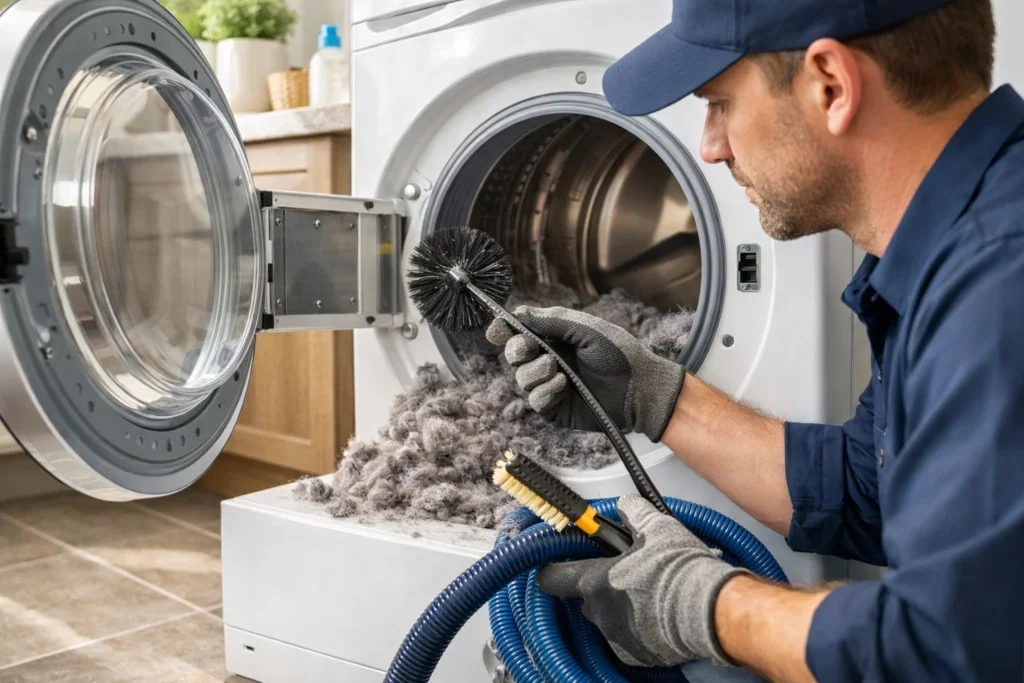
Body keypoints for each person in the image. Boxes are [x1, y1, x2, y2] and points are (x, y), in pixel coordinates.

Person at [485, 0, 1024, 681]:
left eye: (719, 102)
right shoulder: (958, 244)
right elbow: (871, 487)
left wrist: (705, 604)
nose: (710, 144)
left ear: (830, 84)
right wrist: (654, 395)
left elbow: (944, 652)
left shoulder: (1000, 281)